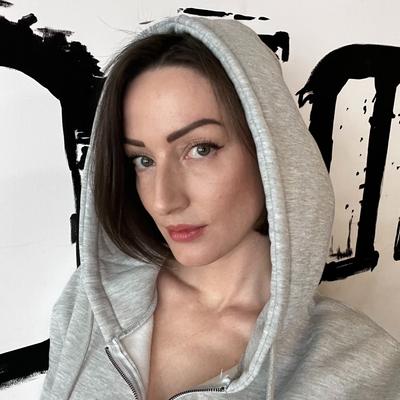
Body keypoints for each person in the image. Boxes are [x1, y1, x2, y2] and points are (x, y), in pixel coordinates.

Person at [39, 14, 400, 400]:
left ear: (268, 148)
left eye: (200, 149)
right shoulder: (89, 302)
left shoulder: (365, 367)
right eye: (143, 160)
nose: (163, 200)